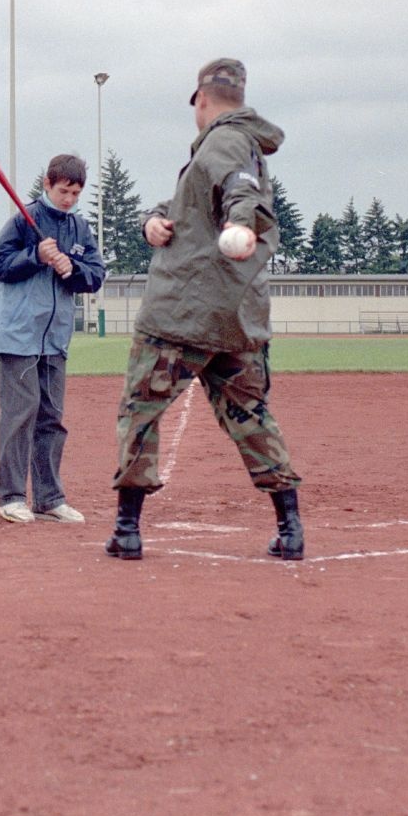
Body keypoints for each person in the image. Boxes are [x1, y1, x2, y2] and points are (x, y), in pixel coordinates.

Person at [107, 58, 303, 561]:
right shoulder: (241, 141)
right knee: (251, 417)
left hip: (180, 314)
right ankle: (290, 526)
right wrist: (154, 219)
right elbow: (191, 207)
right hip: (236, 317)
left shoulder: (225, 141)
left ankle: (127, 530)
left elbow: (242, 194)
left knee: (140, 413)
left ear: (201, 100)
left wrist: (241, 225)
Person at [0, 154, 106, 524]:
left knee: (51, 418)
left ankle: (49, 498)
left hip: (54, 339)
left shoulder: (80, 228)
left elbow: (95, 275)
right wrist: (35, 254)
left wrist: (73, 270)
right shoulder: (24, 220)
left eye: (76, 192)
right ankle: (11, 497)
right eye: (63, 190)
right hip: (18, 336)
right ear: (48, 186)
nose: (69, 198)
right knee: (20, 414)